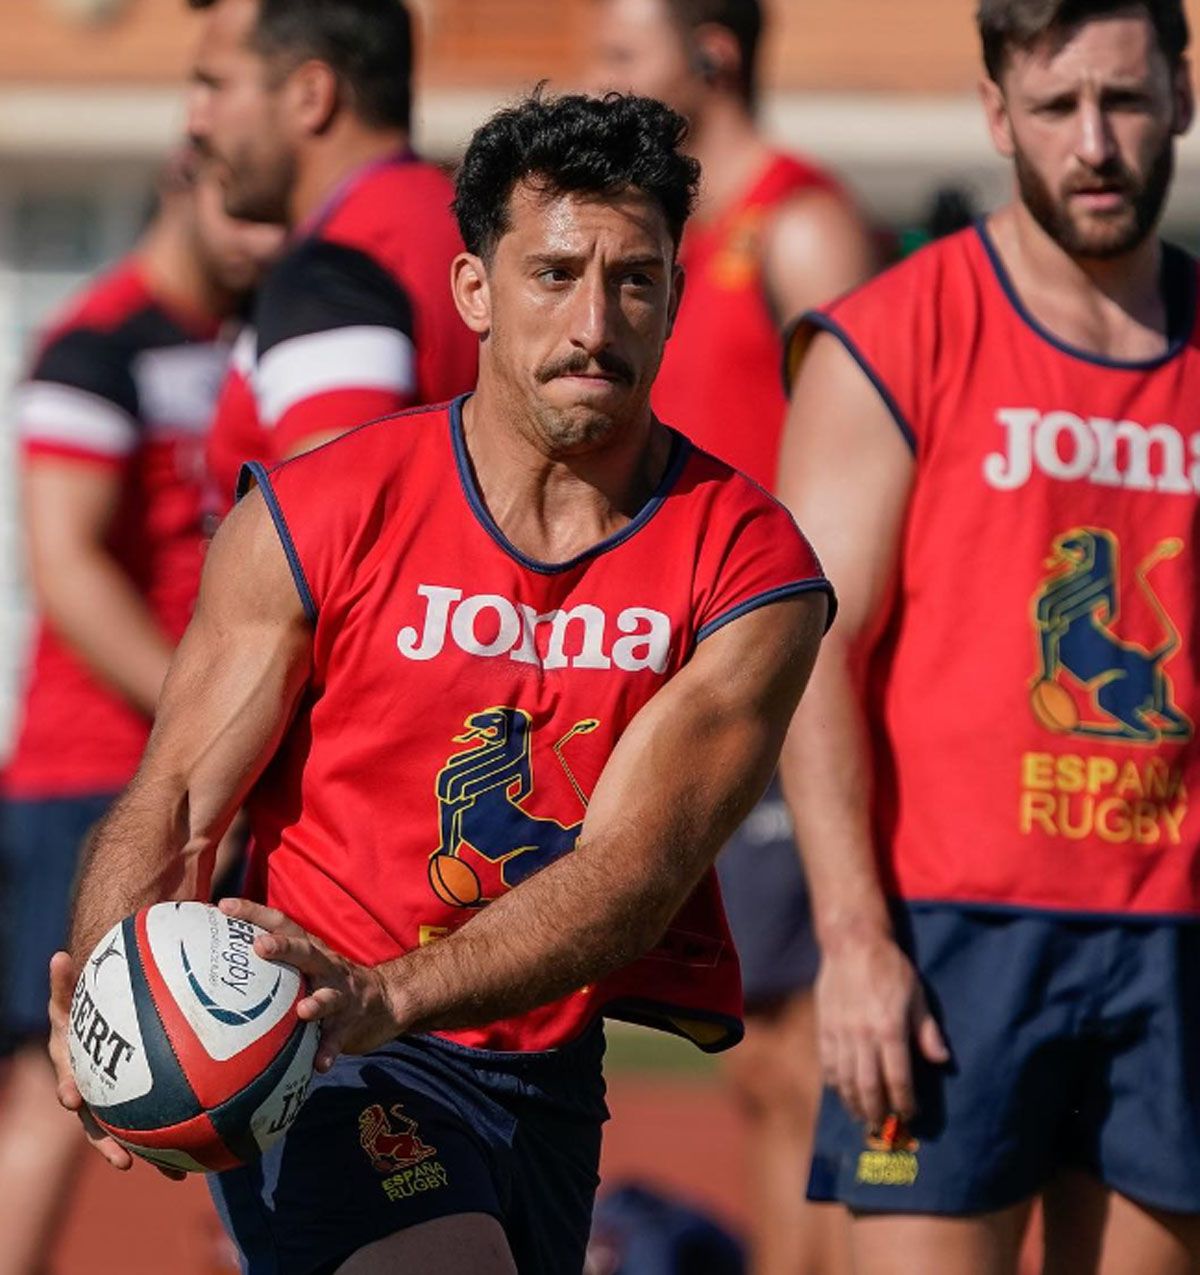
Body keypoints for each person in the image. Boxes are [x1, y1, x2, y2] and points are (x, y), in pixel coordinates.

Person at [48, 91, 833, 1275]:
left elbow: (629, 876)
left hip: (539, 1069)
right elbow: (174, 804)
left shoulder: (752, 568)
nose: (594, 320)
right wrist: (111, 1003)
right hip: (318, 1045)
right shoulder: (314, 514)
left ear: (673, 294)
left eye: (635, 279)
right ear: (475, 291)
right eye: (555, 273)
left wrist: (397, 990)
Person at [778, 2, 1200, 1273]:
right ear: (994, 113)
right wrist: (853, 942)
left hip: (1176, 928)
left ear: (1180, 95)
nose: (1096, 144)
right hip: (953, 935)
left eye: (1124, 102)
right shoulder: (893, 340)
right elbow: (808, 666)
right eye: (1058, 108)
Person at [589, 7, 873, 1271]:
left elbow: (872, 469)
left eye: (623, 49)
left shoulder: (803, 224)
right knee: (752, 1058)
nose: (604, 78)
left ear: (711, 50)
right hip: (687, 681)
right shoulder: (663, 241)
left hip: (784, 678)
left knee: (814, 1057)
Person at [0, 158, 281, 1275]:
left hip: (222, 768)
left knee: (246, 1076)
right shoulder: (93, 343)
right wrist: (209, 706)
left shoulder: (256, 337)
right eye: (245, 208)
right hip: (97, 776)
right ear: (180, 184)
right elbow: (65, 566)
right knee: (61, 1077)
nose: (267, 237)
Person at [187, 0, 478, 511]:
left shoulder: (334, 270)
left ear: (310, 96)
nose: (197, 121)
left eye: (217, 85)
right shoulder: (462, 224)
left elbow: (338, 534)